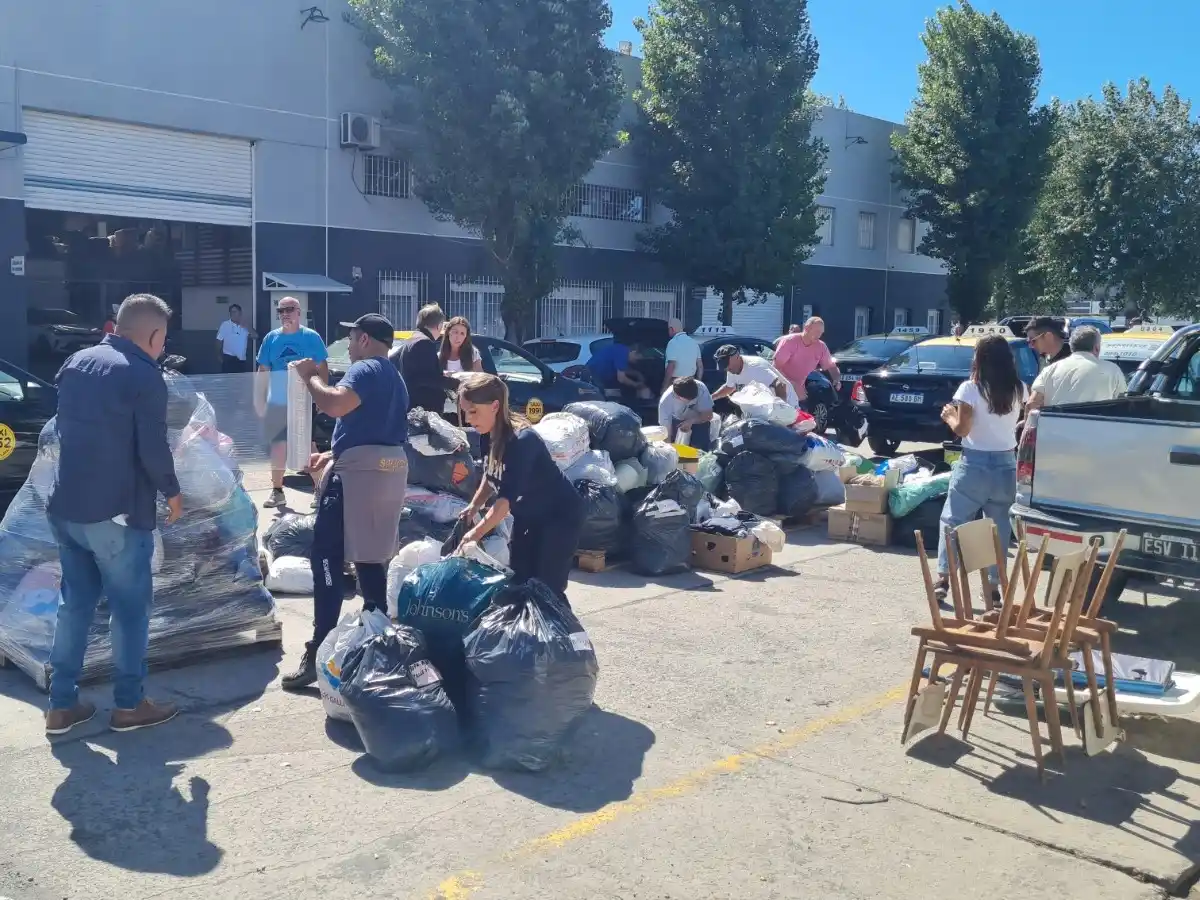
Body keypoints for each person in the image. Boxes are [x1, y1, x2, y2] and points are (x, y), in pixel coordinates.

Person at [44, 293, 185, 735]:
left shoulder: (78, 362)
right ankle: (129, 706)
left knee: (75, 605)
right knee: (128, 611)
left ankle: (61, 705)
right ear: (155, 335)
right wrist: (173, 492)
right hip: (118, 515)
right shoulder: (144, 375)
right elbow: (153, 450)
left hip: (67, 508)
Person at [281, 314, 410, 689]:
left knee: (326, 555)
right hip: (388, 469)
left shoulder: (367, 367)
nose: (350, 345)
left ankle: (320, 648)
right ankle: (379, 644)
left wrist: (311, 378)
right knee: (371, 557)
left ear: (366, 339)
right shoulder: (395, 378)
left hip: (358, 476)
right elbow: (370, 428)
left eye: (352, 338)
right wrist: (334, 455)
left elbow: (335, 404)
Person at [457, 373, 584, 602]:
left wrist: (474, 535)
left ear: (495, 406)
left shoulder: (522, 441)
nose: (468, 418)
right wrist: (474, 505)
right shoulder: (487, 434)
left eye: (473, 411)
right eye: (465, 411)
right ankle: (525, 634)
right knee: (520, 580)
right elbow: (492, 473)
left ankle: (565, 635)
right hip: (529, 516)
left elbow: (504, 502)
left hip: (560, 516)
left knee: (547, 587)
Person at [933, 335, 1026, 604]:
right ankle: (994, 589)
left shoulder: (970, 389)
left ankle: (944, 578)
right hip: (1007, 464)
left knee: (953, 521)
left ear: (979, 359)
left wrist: (949, 415)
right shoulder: (1020, 388)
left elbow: (963, 429)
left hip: (974, 463)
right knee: (998, 528)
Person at [255, 297, 328, 508]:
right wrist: (259, 400)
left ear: (299, 312)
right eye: (281, 310)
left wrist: (322, 396)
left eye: (289, 309)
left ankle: (320, 491)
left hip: (303, 401)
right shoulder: (271, 339)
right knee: (278, 445)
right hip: (277, 401)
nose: (285, 314)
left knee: (308, 445)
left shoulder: (311, 337)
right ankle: (277, 491)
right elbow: (263, 370)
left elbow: (322, 367)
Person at [1027, 325, 1126, 411]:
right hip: (1097, 430)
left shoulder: (1049, 370)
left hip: (1054, 430)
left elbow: (1032, 404)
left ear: (1071, 347)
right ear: (1097, 348)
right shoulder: (1113, 370)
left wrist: (1028, 427)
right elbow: (1122, 406)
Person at [390, 303, 458, 415]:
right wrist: (454, 383)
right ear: (439, 325)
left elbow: (393, 360)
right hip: (424, 410)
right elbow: (425, 378)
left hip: (412, 407)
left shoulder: (412, 339)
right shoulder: (424, 342)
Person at [773, 316, 841, 401]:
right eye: (816, 331)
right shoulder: (790, 341)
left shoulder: (821, 347)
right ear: (806, 328)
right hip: (779, 390)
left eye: (821, 333)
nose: (819, 335)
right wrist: (793, 385)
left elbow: (831, 367)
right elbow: (775, 368)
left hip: (799, 392)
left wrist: (837, 379)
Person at [711, 344, 798, 406]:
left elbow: (780, 385)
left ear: (737, 357)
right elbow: (730, 387)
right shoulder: (732, 369)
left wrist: (781, 407)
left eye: (728, 367)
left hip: (787, 403)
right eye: (725, 368)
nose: (727, 370)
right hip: (765, 405)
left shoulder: (756, 367)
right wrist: (711, 398)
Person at [658, 376, 715, 450]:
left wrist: (692, 421)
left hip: (700, 420)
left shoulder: (701, 388)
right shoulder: (665, 402)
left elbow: (709, 415)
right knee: (678, 447)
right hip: (677, 421)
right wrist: (668, 450)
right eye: (689, 400)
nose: (692, 401)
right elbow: (665, 432)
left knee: (701, 449)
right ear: (678, 397)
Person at [662, 318, 702, 392]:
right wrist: (698, 384)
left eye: (668, 329)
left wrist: (664, 387)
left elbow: (671, 366)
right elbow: (700, 366)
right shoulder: (694, 342)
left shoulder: (673, 343)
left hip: (676, 383)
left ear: (671, 329)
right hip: (691, 382)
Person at [215, 303, 256, 374]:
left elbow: (255, 336)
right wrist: (219, 355)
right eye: (231, 312)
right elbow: (219, 340)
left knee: (239, 382)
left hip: (241, 359)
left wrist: (247, 326)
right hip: (228, 359)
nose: (232, 314)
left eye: (235, 312)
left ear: (240, 313)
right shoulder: (225, 325)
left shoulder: (245, 326)